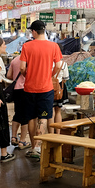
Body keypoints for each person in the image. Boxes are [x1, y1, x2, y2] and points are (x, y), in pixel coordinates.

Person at [19, 20, 62, 160]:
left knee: (31, 117)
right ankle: (39, 146)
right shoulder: (54, 46)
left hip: (29, 88)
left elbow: (22, 68)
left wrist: (28, 75)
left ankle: (33, 147)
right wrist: (50, 75)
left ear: (34, 32)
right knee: (43, 116)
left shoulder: (27, 46)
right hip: (46, 88)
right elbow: (59, 65)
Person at [7, 55, 31, 150]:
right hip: (27, 89)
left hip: (16, 89)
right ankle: (22, 141)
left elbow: (9, 75)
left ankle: (13, 137)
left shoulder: (15, 59)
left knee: (17, 113)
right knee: (26, 115)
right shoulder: (30, 59)